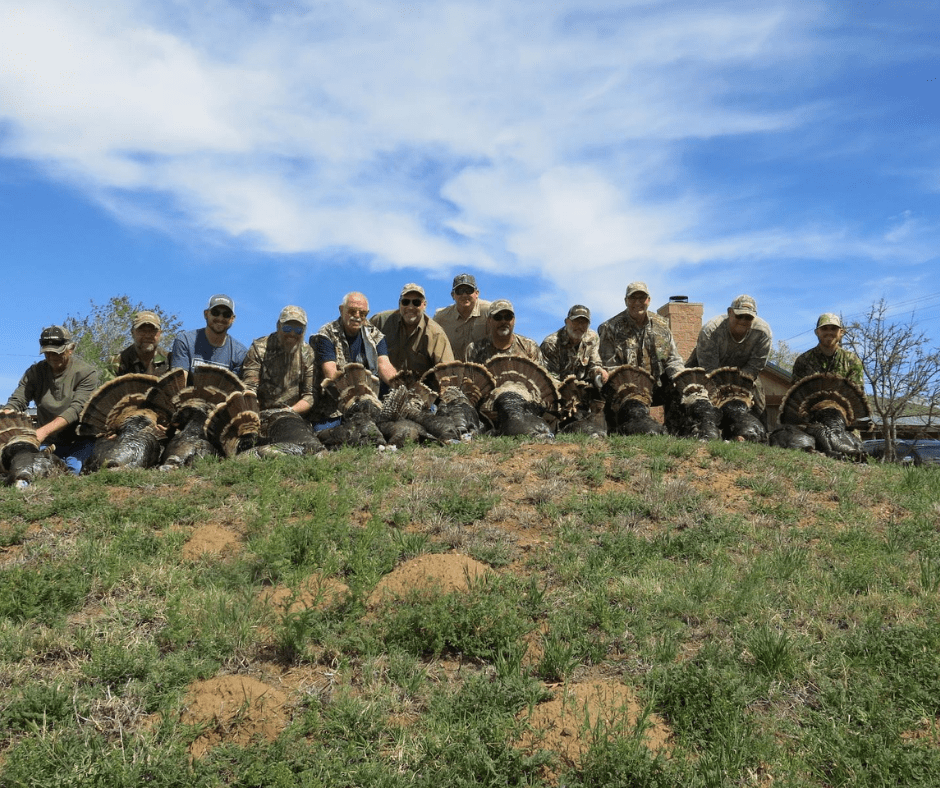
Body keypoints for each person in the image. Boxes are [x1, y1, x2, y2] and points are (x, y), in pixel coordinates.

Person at [3, 326, 99, 474]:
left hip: (79, 440)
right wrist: (4, 416)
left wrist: (42, 432)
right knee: (32, 468)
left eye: (57, 352)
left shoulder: (86, 373)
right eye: (47, 352)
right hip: (47, 442)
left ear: (70, 349)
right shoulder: (35, 372)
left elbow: (76, 409)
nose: (52, 356)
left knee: (74, 469)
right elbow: (18, 400)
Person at [686, 294, 772, 418]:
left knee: (757, 396)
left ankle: (761, 429)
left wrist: (738, 387)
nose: (743, 321)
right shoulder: (711, 329)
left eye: (748, 317)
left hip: (742, 372)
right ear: (730, 312)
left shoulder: (763, 332)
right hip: (705, 369)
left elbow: (755, 366)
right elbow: (708, 369)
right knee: (683, 389)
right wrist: (724, 392)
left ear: (754, 317)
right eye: (739, 315)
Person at [597, 282, 685, 400]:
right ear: (626, 301)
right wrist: (630, 387)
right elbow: (609, 366)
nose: (637, 302)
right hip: (625, 388)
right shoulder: (609, 328)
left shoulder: (662, 325)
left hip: (657, 385)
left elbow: (672, 359)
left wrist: (681, 378)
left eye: (642, 298)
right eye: (632, 298)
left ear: (648, 300)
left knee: (684, 393)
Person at [369, 284, 455, 383]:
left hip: (422, 392)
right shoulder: (381, 321)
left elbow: (448, 372)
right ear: (399, 303)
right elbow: (360, 335)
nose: (410, 307)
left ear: (424, 305)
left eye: (416, 302)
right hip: (385, 387)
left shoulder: (435, 334)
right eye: (405, 302)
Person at [241, 305, 317, 414]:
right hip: (260, 413)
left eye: (298, 330)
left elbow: (309, 396)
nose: (292, 333)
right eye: (287, 328)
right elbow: (249, 388)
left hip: (292, 415)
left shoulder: (308, 354)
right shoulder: (259, 348)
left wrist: (289, 411)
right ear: (278, 326)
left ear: (304, 331)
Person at [170, 295, 248, 378]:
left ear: (232, 319)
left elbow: (234, 389)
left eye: (226, 315)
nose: (220, 318)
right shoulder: (185, 341)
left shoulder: (240, 353)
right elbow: (179, 383)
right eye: (215, 313)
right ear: (206, 314)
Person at [540, 305, 608, 385]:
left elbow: (594, 365)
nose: (580, 326)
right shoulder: (551, 343)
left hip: (583, 387)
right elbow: (550, 377)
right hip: (557, 388)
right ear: (567, 322)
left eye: (584, 323)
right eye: (576, 321)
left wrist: (598, 371)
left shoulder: (593, 338)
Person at [465, 299, 545, 366]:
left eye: (508, 317)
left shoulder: (530, 348)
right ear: (489, 321)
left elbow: (541, 381)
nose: (503, 321)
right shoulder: (474, 349)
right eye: (498, 317)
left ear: (513, 320)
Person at [792, 313, 864, 387]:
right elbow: (798, 395)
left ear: (841, 332)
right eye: (824, 329)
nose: (829, 332)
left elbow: (856, 395)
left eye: (833, 329)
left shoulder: (852, 361)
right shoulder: (803, 361)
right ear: (817, 332)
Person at [433, 274, 491, 361]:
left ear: (477, 293)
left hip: (486, 369)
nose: (464, 295)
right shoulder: (440, 317)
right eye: (459, 291)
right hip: (454, 369)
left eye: (468, 290)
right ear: (453, 295)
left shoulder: (490, 311)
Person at [102, 310, 169, 382]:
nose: (147, 335)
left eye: (153, 331)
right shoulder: (116, 362)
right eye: (142, 330)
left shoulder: (170, 360)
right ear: (132, 333)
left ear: (160, 333)